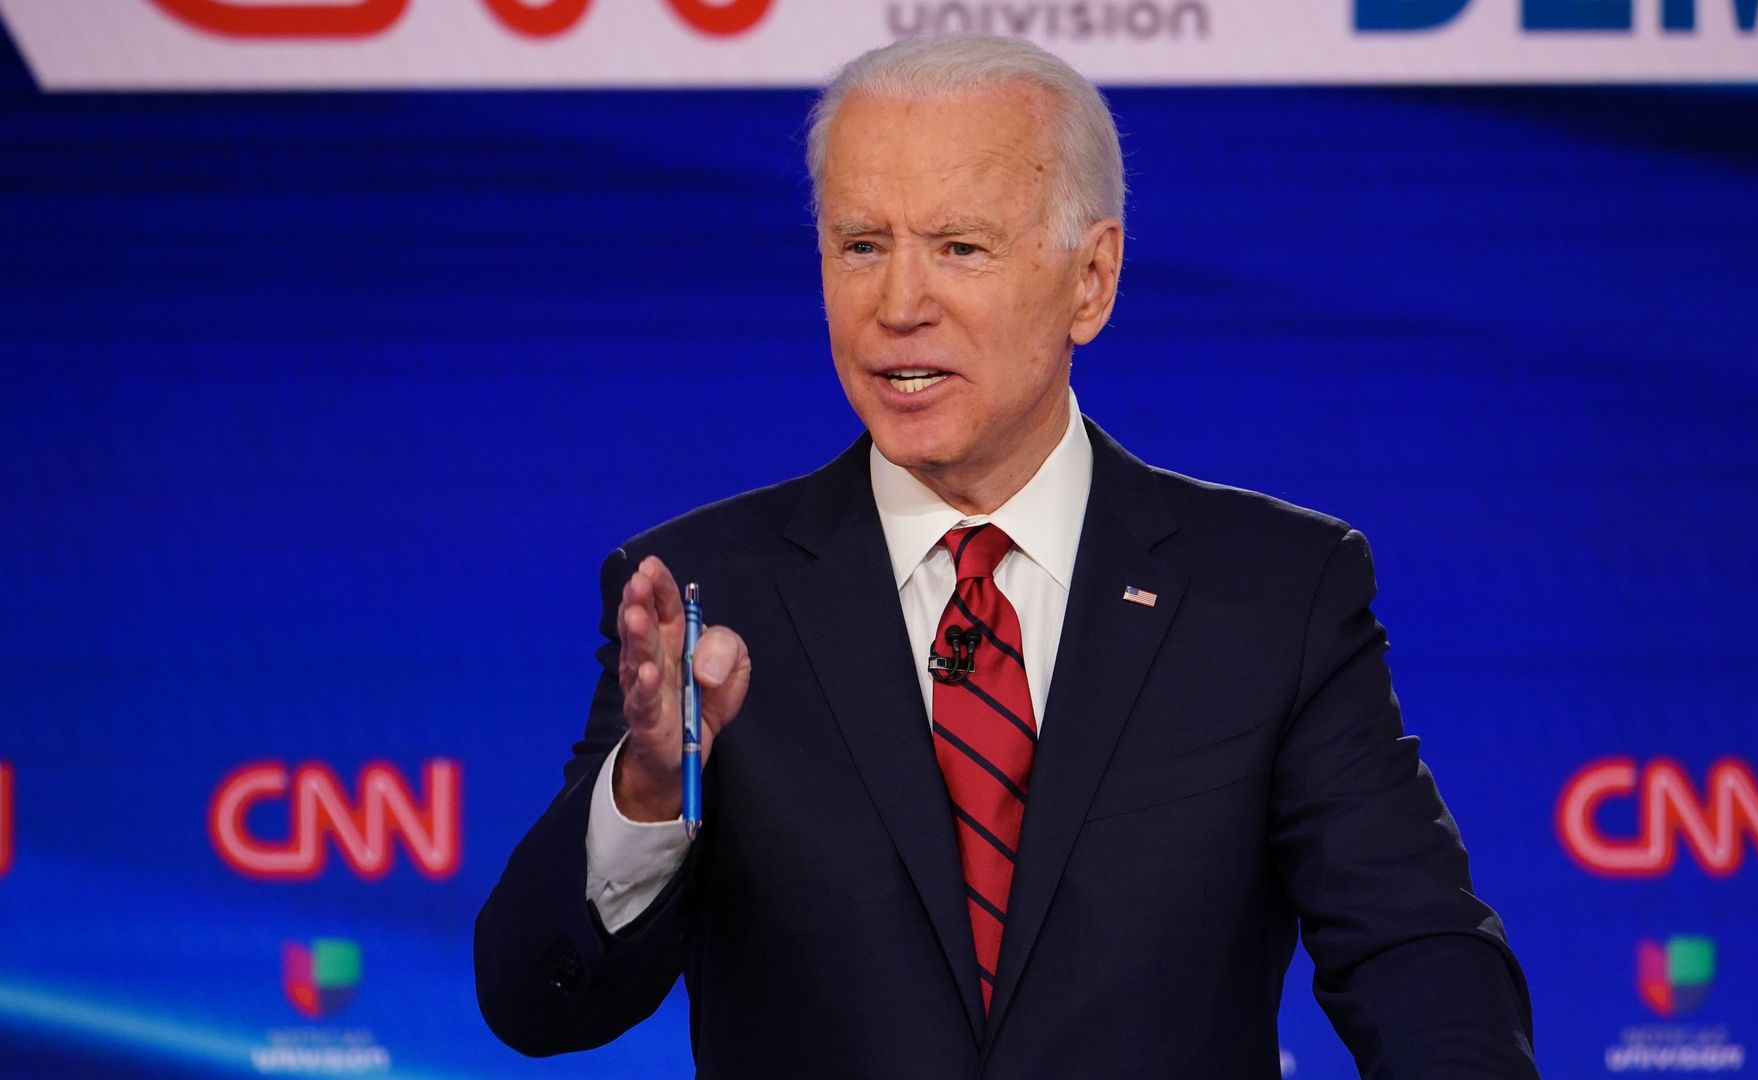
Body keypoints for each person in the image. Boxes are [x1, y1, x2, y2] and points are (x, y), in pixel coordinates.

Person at [474, 33, 1537, 1079]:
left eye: (960, 247)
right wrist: (652, 794)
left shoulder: (1272, 593)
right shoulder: (703, 597)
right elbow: (533, 1004)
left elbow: (1413, 949)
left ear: (1092, 279)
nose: (898, 305)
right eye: (861, 245)